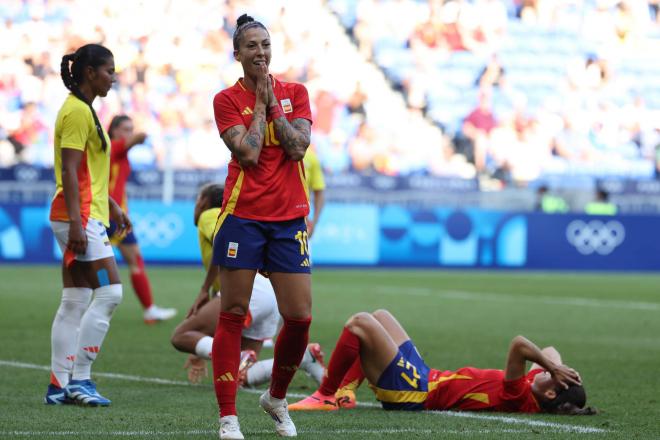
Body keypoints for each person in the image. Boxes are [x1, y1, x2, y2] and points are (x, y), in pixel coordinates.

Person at [211, 13, 314, 439]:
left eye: (266, 45)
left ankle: (275, 397)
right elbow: (249, 154)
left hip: (288, 217)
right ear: (237, 54)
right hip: (243, 217)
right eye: (251, 46)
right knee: (233, 313)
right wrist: (259, 108)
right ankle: (228, 417)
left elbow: (297, 148)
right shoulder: (225, 100)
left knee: (300, 317)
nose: (260, 52)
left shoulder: (296, 93)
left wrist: (273, 104)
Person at [290, 309, 596, 416]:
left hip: (415, 394)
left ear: (551, 393)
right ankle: (346, 389)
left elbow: (519, 345)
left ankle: (327, 394)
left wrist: (554, 368)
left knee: (361, 323)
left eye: (551, 376)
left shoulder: (518, 395)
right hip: (425, 376)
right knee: (381, 315)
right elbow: (551, 351)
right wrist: (556, 368)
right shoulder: (537, 385)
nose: (546, 370)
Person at [170, 183, 324, 387]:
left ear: (204, 202)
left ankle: (237, 356)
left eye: (197, 200)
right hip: (269, 293)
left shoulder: (211, 215)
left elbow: (223, 242)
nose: (195, 205)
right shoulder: (239, 217)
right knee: (243, 375)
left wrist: (202, 291)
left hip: (252, 288)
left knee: (181, 336)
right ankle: (304, 359)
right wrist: (203, 346)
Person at [46, 44, 127, 406]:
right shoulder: (78, 112)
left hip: (83, 213)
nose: (113, 77)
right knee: (110, 293)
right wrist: (79, 224)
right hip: (78, 217)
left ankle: (57, 386)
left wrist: (111, 204)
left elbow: (86, 171)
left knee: (76, 299)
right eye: (109, 70)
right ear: (90, 73)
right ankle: (80, 379)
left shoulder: (83, 110)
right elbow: (68, 169)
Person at [106, 115, 177, 323]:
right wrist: (144, 132)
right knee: (102, 263)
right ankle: (147, 309)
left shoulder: (117, 151)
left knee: (133, 259)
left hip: (116, 215)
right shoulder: (115, 146)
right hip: (109, 215)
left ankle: (149, 309)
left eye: (131, 128)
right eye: (125, 129)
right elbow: (141, 136)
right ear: (115, 130)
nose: (129, 132)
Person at [302, 146, 325, 239]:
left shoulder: (311, 157)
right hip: (270, 219)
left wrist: (314, 224)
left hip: (300, 223)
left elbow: (319, 193)